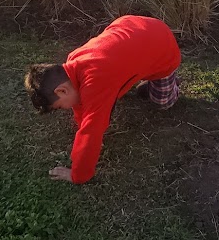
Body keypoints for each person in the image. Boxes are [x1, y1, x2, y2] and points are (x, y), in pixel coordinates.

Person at [24, 15, 181, 185]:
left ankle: (170, 81)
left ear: (61, 90)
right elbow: (81, 106)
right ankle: (147, 80)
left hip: (162, 43)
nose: (65, 109)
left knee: (163, 103)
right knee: (118, 82)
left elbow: (92, 131)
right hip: (132, 27)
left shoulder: (95, 82)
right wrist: (81, 124)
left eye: (61, 106)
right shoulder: (73, 62)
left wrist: (78, 175)